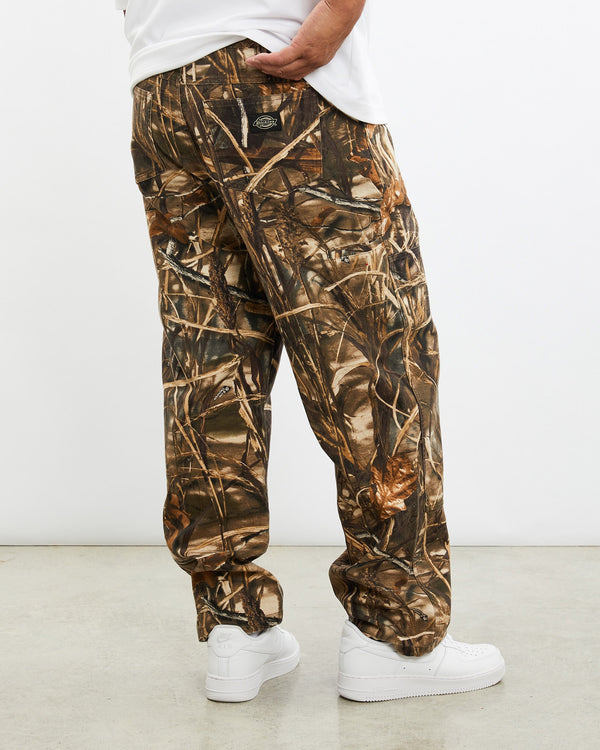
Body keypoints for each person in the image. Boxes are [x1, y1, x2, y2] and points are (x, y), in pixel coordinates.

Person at [116, 0, 505, 702]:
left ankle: (236, 627)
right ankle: (396, 635)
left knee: (212, 351)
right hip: (277, 71)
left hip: (162, 86)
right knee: (374, 349)